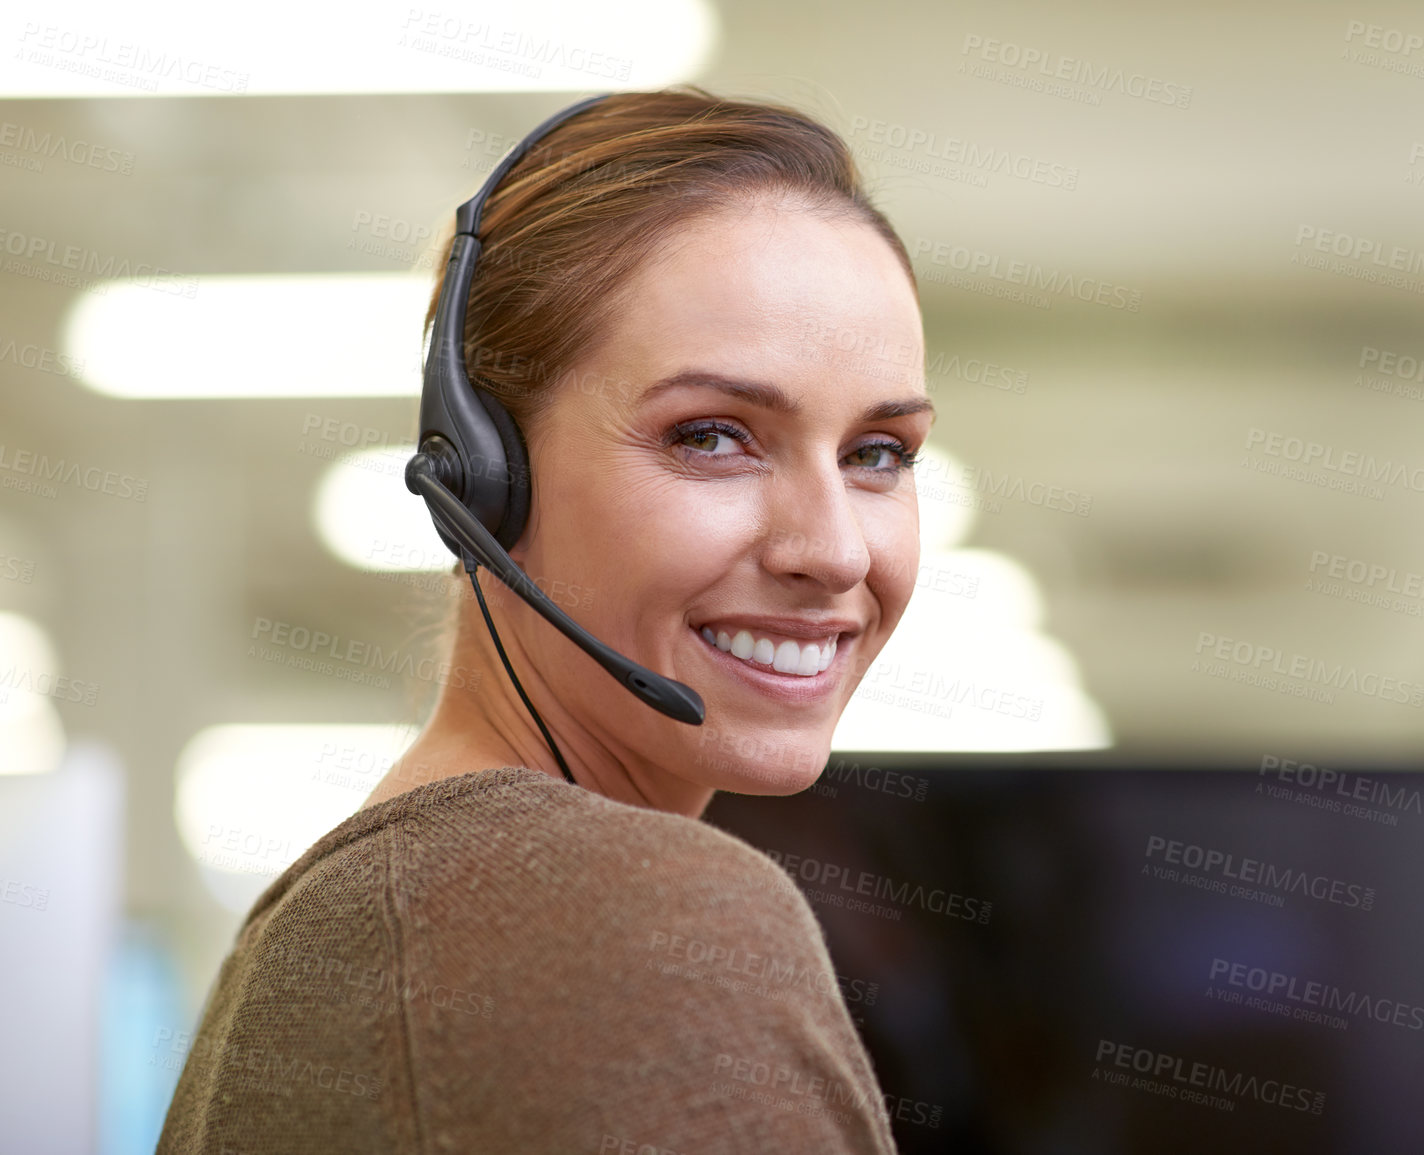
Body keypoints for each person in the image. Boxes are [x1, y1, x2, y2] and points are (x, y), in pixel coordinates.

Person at [158, 86, 932, 1153]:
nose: (837, 548)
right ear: (483, 477)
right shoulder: (647, 918)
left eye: (878, 454)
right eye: (713, 436)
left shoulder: (338, 923)